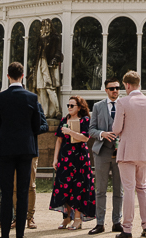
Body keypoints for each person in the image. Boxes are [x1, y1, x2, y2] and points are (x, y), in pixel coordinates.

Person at [0, 61, 48, 238]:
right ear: (22, 76)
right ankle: (20, 235)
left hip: (6, 148)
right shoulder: (31, 98)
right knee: (23, 192)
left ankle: (5, 235)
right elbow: (37, 125)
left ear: (8, 76)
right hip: (25, 149)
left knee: (7, 193)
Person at [111, 70, 146, 238]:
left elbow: (116, 129)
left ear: (127, 85)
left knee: (129, 189)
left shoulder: (122, 102)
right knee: (142, 187)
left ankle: (127, 229)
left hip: (127, 151)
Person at [49, 95, 95, 229]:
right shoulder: (64, 120)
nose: (69, 108)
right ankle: (67, 217)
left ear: (79, 107)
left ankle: (78, 218)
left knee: (79, 187)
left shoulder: (85, 120)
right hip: (65, 158)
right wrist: (55, 159)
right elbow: (58, 140)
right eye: (68, 105)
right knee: (65, 187)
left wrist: (70, 132)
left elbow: (85, 138)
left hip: (80, 158)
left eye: (72, 105)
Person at [87, 78, 124, 235]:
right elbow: (91, 130)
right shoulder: (97, 106)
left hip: (121, 152)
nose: (115, 90)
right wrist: (102, 133)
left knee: (119, 190)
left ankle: (117, 222)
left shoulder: (125, 104)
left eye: (117, 88)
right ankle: (100, 223)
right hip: (102, 152)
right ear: (106, 90)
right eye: (111, 88)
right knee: (100, 189)